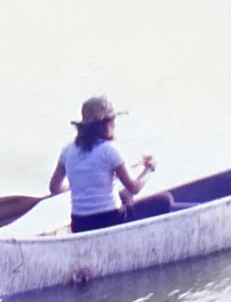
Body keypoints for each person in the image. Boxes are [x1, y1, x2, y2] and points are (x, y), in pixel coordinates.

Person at [50, 96, 168, 231]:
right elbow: (134, 187)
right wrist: (149, 169)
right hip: (110, 220)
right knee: (165, 199)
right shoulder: (110, 150)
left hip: (79, 224)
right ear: (106, 125)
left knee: (124, 195)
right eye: (113, 123)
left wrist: (81, 183)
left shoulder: (67, 151)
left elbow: (55, 188)